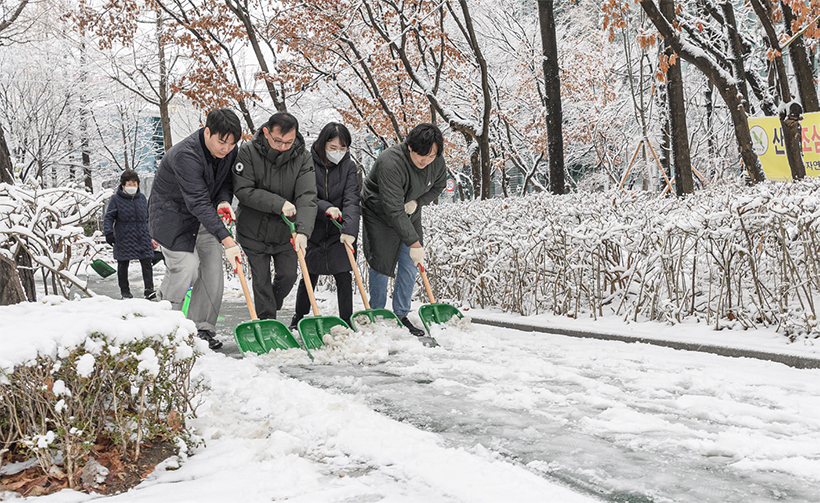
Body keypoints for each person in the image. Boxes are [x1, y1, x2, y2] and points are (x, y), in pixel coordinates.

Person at [148, 108, 243, 350]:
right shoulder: (185, 154)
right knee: (186, 267)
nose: (226, 148)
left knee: (212, 270)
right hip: (173, 218)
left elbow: (226, 182)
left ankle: (202, 328)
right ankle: (165, 324)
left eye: (232, 144)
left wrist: (223, 201)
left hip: (204, 216)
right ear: (207, 131)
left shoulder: (229, 151)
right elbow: (197, 200)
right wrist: (227, 239)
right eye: (222, 142)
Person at [360, 123, 448, 339]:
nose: (426, 160)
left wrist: (418, 202)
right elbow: (392, 208)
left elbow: (439, 186)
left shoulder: (436, 162)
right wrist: (414, 242)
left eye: (431, 155)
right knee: (382, 262)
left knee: (410, 263)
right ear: (410, 147)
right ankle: (377, 313)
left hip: (410, 210)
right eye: (422, 155)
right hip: (380, 212)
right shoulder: (390, 162)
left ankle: (401, 314)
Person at [233, 112, 317, 320]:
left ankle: (272, 303)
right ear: (266, 133)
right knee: (260, 280)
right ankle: (267, 321)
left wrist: (304, 231)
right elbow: (243, 190)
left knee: (288, 276)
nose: (282, 147)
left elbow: (307, 196)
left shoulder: (303, 157)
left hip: (285, 231)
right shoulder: (248, 152)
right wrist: (279, 204)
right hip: (253, 230)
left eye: (288, 142)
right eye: (278, 140)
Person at [290, 122, 360, 329]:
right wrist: (326, 208)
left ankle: (346, 320)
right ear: (323, 144)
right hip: (314, 226)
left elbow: (351, 199)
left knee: (343, 273)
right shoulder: (308, 162)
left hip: (339, 228)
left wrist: (349, 230)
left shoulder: (349, 166)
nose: (338, 152)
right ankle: (299, 316)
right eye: (333, 148)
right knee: (309, 273)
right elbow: (305, 194)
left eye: (343, 148)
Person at [103, 169, 155, 300]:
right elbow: (109, 217)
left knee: (147, 262)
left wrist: (152, 233)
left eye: (135, 184)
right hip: (123, 235)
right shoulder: (116, 199)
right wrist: (108, 232)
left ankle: (149, 290)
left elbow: (148, 217)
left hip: (142, 235)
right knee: (123, 263)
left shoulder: (142, 198)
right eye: (129, 184)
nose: (132, 187)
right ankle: (125, 291)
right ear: (123, 185)